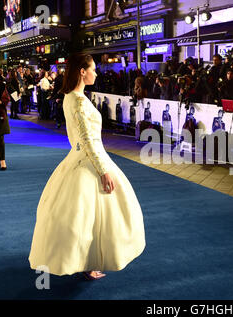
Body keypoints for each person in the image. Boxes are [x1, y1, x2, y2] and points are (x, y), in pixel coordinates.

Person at [28, 53, 146, 280]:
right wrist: (103, 170)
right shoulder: (78, 100)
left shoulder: (73, 97)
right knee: (90, 216)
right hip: (89, 160)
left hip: (80, 158)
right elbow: (87, 140)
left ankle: (85, 261)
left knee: (84, 217)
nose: (96, 72)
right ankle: (85, 261)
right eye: (92, 68)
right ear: (82, 71)